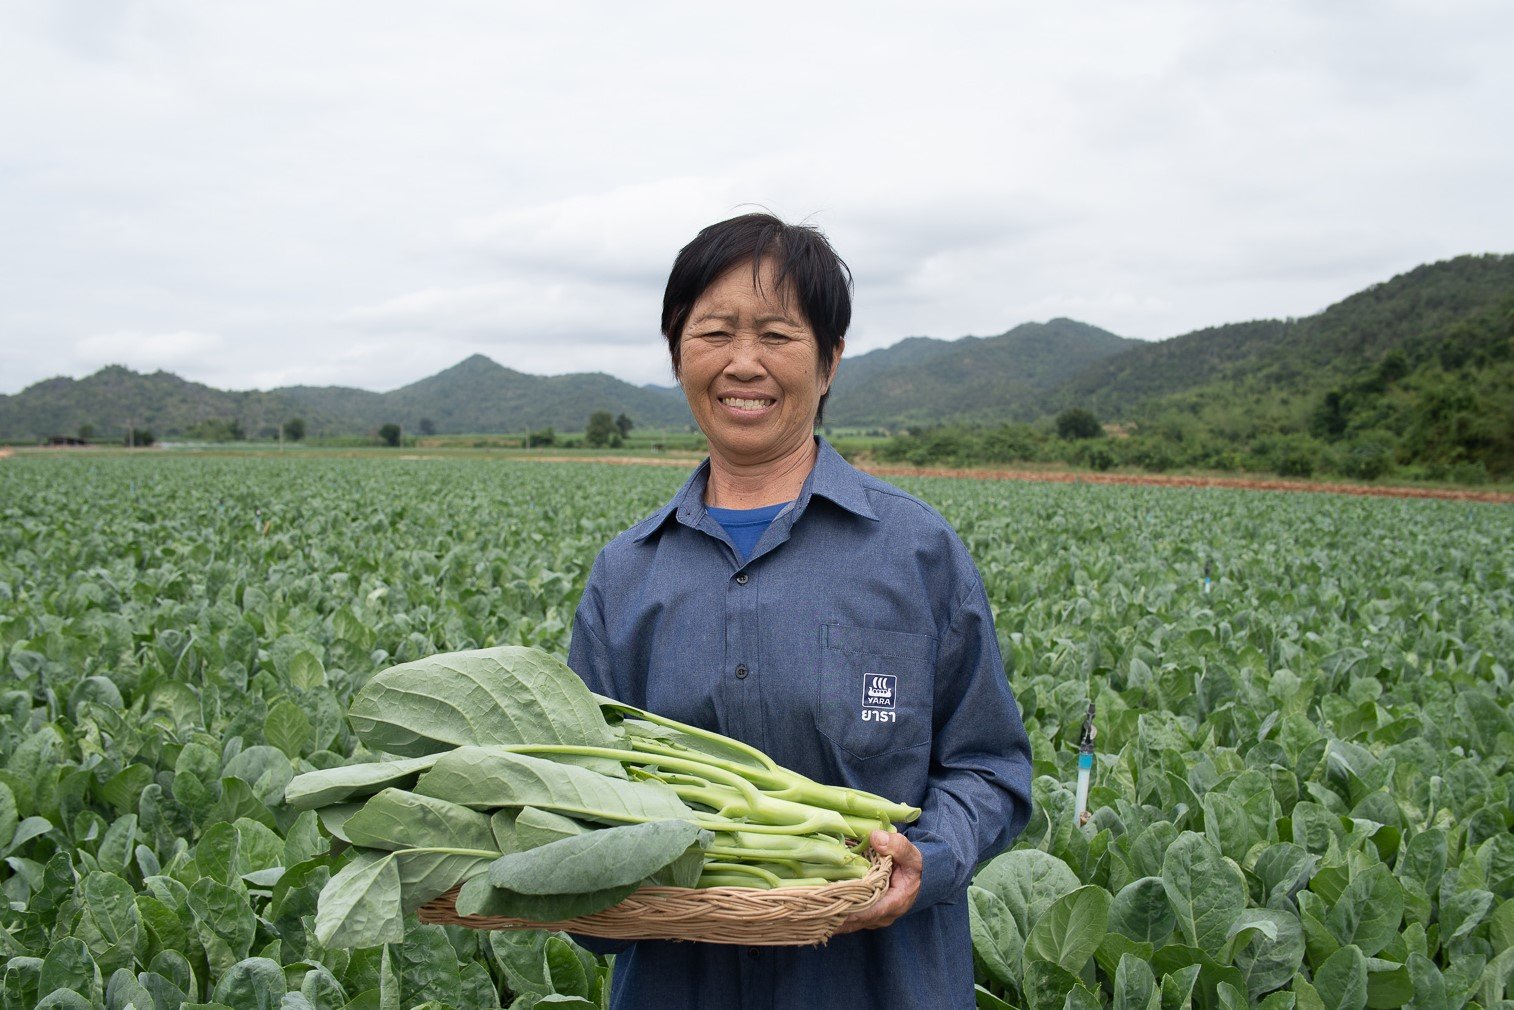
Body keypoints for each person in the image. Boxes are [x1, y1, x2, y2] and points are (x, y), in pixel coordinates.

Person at [568, 212, 1032, 1009]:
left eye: (777, 335)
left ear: (830, 361)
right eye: (713, 332)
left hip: (882, 983)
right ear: (678, 353)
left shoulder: (915, 551)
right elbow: (577, 790)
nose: (742, 363)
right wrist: (584, 886)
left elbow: (991, 769)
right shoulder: (626, 575)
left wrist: (933, 855)